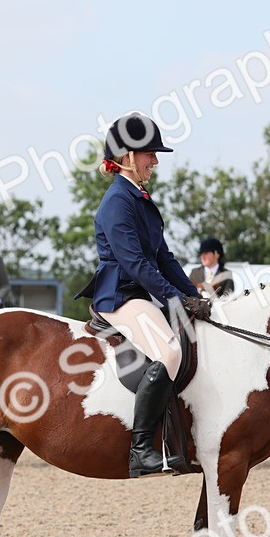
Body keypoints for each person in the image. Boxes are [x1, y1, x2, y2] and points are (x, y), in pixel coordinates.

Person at [75, 112, 210, 478]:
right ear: (129, 157)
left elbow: (164, 257)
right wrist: (175, 300)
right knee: (169, 351)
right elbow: (135, 264)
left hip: (142, 292)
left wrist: (193, 294)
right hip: (122, 296)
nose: (155, 160)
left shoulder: (139, 198)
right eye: (150, 153)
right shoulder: (118, 202)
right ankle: (140, 449)